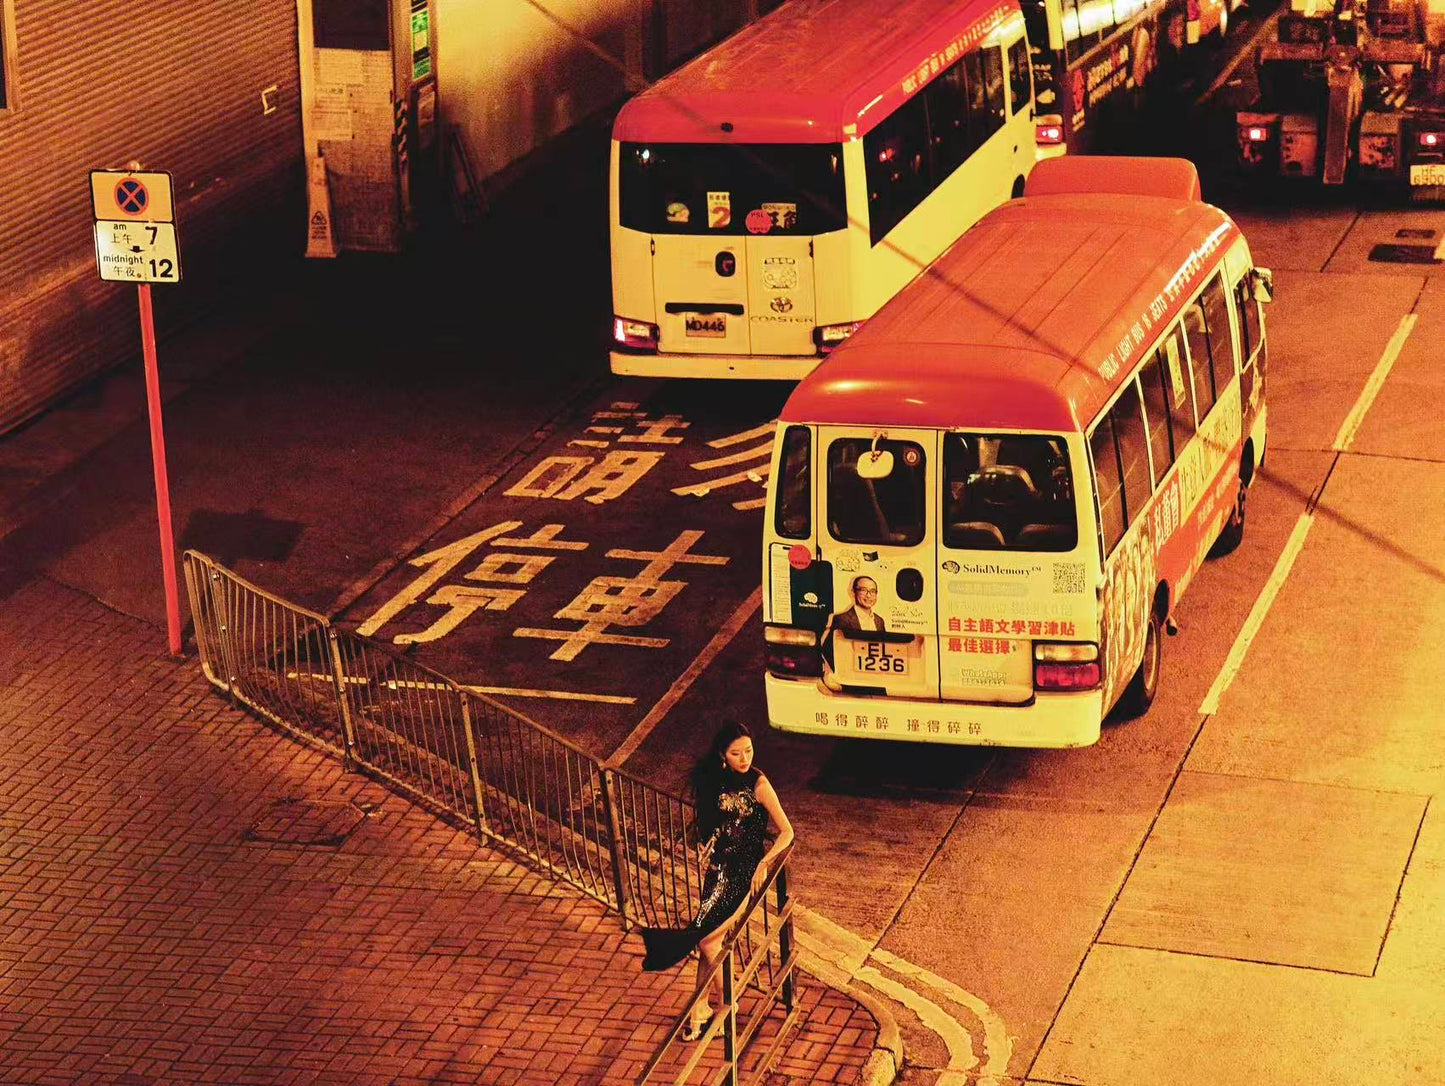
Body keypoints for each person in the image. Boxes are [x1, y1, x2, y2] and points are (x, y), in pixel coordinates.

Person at [638, 722, 795, 1042]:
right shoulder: (716, 780)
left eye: (748, 750)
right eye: (736, 753)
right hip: (718, 870)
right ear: (723, 755)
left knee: (708, 942)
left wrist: (764, 863)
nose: (745, 758)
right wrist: (707, 843)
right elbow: (717, 824)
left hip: (744, 872)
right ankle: (702, 1009)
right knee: (707, 937)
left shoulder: (759, 784)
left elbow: (787, 832)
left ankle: (728, 1003)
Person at [821, 575, 886, 673]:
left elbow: (884, 649)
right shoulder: (842, 619)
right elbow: (828, 650)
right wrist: (843, 672)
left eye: (872, 591)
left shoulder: (879, 621)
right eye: (863, 590)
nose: (868, 595)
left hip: (874, 674)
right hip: (851, 674)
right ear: (853, 592)